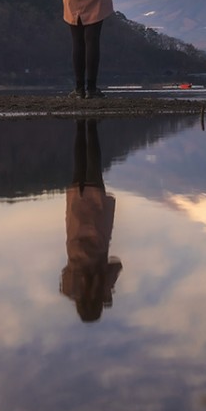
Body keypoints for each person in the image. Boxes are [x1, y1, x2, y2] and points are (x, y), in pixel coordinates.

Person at [60, 119, 122, 322]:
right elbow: (64, 277)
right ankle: (80, 124)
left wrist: (107, 294)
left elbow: (117, 265)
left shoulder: (103, 285)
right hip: (77, 220)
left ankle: (91, 125)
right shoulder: (72, 287)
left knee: (94, 166)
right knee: (79, 166)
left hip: (97, 221)